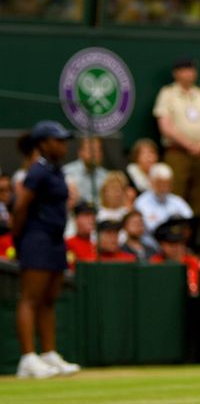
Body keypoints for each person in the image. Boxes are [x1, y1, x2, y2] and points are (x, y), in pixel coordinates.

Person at [12, 120, 80, 378]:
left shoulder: (56, 171)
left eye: (64, 140)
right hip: (36, 239)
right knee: (30, 298)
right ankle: (28, 358)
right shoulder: (37, 171)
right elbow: (20, 208)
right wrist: (21, 241)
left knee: (49, 299)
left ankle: (49, 354)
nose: (63, 145)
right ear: (43, 144)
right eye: (57, 140)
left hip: (54, 239)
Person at [153, 57, 200, 225]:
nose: (189, 73)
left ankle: (193, 240)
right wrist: (189, 145)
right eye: (184, 69)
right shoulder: (167, 94)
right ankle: (174, 234)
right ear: (176, 73)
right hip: (177, 152)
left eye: (191, 69)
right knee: (176, 194)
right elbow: (166, 126)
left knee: (198, 197)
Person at [134, 163, 193, 238]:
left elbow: (190, 220)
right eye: (161, 184)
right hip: (151, 245)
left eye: (167, 184)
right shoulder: (141, 202)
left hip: (175, 242)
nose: (164, 188)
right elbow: (150, 228)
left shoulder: (178, 201)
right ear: (152, 182)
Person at [150, 220, 200, 295]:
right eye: (171, 244)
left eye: (180, 243)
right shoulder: (155, 263)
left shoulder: (194, 262)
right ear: (162, 245)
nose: (176, 248)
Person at [62, 136, 108, 204]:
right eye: (90, 150)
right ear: (80, 152)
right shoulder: (66, 172)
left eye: (97, 150)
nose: (94, 154)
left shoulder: (106, 176)